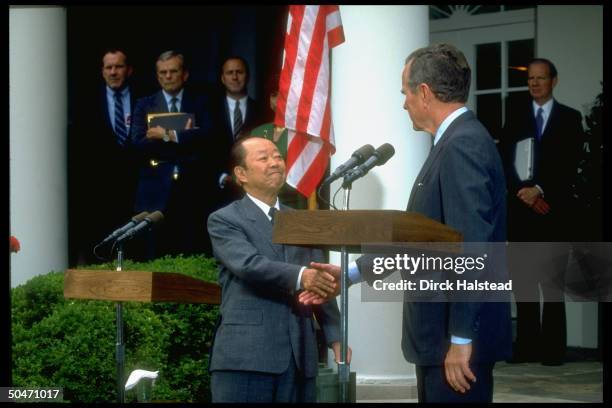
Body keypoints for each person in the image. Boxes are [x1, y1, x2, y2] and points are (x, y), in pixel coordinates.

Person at [302, 43, 512, 403]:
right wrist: (350, 275)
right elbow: (422, 242)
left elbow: (472, 244)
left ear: (425, 93)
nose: (404, 104)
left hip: (454, 344)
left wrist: (462, 338)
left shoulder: (462, 146)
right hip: (439, 340)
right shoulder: (453, 142)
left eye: (405, 93)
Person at [207, 136, 348, 403]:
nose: (275, 163)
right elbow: (249, 265)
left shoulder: (300, 221)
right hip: (246, 357)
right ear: (241, 174)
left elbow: (318, 277)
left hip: (300, 357)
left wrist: (335, 336)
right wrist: (301, 276)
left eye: (278, 157)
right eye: (263, 158)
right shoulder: (225, 220)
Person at [501, 58, 584, 366]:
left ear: (554, 81)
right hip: (522, 214)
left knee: (551, 286)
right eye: (531, 78)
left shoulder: (571, 119)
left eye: (541, 78)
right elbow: (505, 159)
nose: (535, 83)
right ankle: (525, 349)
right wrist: (524, 192)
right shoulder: (516, 117)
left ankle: (551, 352)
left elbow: (570, 163)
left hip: (553, 213)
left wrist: (541, 190)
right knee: (523, 284)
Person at [131, 50, 215, 258]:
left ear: (184, 74)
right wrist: (186, 135)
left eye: (173, 71)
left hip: (192, 184)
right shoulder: (144, 104)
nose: (168, 76)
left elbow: (208, 138)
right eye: (163, 72)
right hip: (154, 186)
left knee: (191, 246)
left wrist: (167, 135)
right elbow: (138, 143)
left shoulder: (201, 102)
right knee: (155, 249)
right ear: (157, 75)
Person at [68, 48, 139, 265]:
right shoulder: (86, 101)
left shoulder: (144, 98)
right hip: (97, 189)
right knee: (98, 248)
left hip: (136, 186)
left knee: (134, 248)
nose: (113, 72)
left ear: (129, 70)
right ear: (102, 71)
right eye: (109, 67)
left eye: (118, 66)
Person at [214, 56, 263, 204]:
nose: (235, 77)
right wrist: (221, 176)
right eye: (230, 73)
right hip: (217, 190)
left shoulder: (261, 111)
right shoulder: (209, 110)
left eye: (239, 72)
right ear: (223, 78)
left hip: (252, 188)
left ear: (247, 76)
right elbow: (204, 149)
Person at [249, 89, 308, 209]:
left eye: (284, 94)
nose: (279, 99)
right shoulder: (258, 132)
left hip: (292, 204)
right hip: (260, 203)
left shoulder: (303, 134)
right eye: (274, 95)